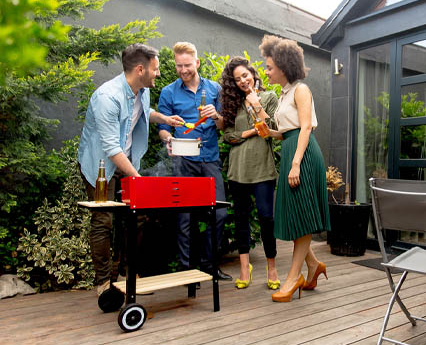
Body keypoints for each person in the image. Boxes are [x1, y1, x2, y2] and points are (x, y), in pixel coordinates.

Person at [78, 43, 184, 300]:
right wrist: (137, 179)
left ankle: (127, 274)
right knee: (103, 221)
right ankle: (103, 283)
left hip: (126, 161)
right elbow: (112, 148)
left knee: (137, 217)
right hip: (102, 166)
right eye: (155, 69)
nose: (158, 73)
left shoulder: (141, 89)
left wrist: (164, 119)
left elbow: (142, 112)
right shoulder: (107, 97)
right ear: (140, 69)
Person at [259, 35, 330, 302]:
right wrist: (272, 133)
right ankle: (313, 265)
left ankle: (293, 277)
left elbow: (306, 127)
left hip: (304, 154)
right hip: (291, 147)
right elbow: (289, 131)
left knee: (302, 213)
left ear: (284, 66)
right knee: (296, 214)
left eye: (269, 67)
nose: (266, 71)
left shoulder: (301, 90)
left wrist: (296, 163)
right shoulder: (284, 93)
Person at [157, 42, 231, 281]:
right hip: (183, 160)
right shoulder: (168, 92)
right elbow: (162, 128)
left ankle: (210, 265)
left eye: (187, 65)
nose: (183, 69)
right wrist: (168, 139)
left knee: (218, 213)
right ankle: (186, 270)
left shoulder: (215, 89)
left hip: (209, 157)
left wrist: (216, 115)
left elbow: (222, 125)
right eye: (179, 65)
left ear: (197, 63)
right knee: (184, 215)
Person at [220, 56, 280, 289]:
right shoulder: (233, 104)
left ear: (253, 74)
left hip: (263, 170)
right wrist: (249, 132)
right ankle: (245, 270)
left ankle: (272, 268)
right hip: (238, 170)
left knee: (267, 219)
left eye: (245, 75)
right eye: (237, 79)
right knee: (241, 220)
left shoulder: (269, 97)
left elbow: (273, 130)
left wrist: (256, 104)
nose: (243, 81)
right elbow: (228, 136)